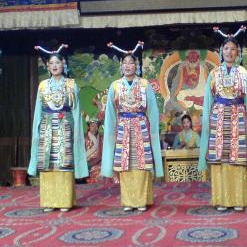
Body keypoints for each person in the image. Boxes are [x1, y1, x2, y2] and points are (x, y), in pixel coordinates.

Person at [198, 26, 247, 212]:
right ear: (221, 52)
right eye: (226, 49)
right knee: (220, 160)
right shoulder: (214, 74)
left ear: (237, 52)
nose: (229, 52)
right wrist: (207, 124)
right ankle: (221, 199)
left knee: (237, 160)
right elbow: (208, 100)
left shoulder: (244, 73)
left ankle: (239, 199)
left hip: (238, 117)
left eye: (233, 49)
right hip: (219, 118)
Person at [101, 41, 163, 212]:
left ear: (136, 66)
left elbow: (153, 111)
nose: (128, 66)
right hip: (123, 128)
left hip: (141, 127)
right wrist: (112, 135)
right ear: (121, 66)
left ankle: (142, 200)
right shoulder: (115, 86)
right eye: (125, 63)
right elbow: (111, 114)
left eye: (131, 63)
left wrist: (153, 133)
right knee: (125, 165)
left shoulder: (144, 85)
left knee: (141, 164)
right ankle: (128, 201)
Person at [28, 44, 88, 212]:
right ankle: (49, 201)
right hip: (47, 127)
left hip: (65, 127)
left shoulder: (71, 85)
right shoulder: (42, 86)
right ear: (48, 66)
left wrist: (76, 133)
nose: (54, 66)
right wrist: (37, 132)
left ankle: (65, 201)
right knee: (48, 163)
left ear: (64, 64)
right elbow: (38, 113)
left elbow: (76, 111)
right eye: (51, 63)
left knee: (64, 163)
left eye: (57, 62)